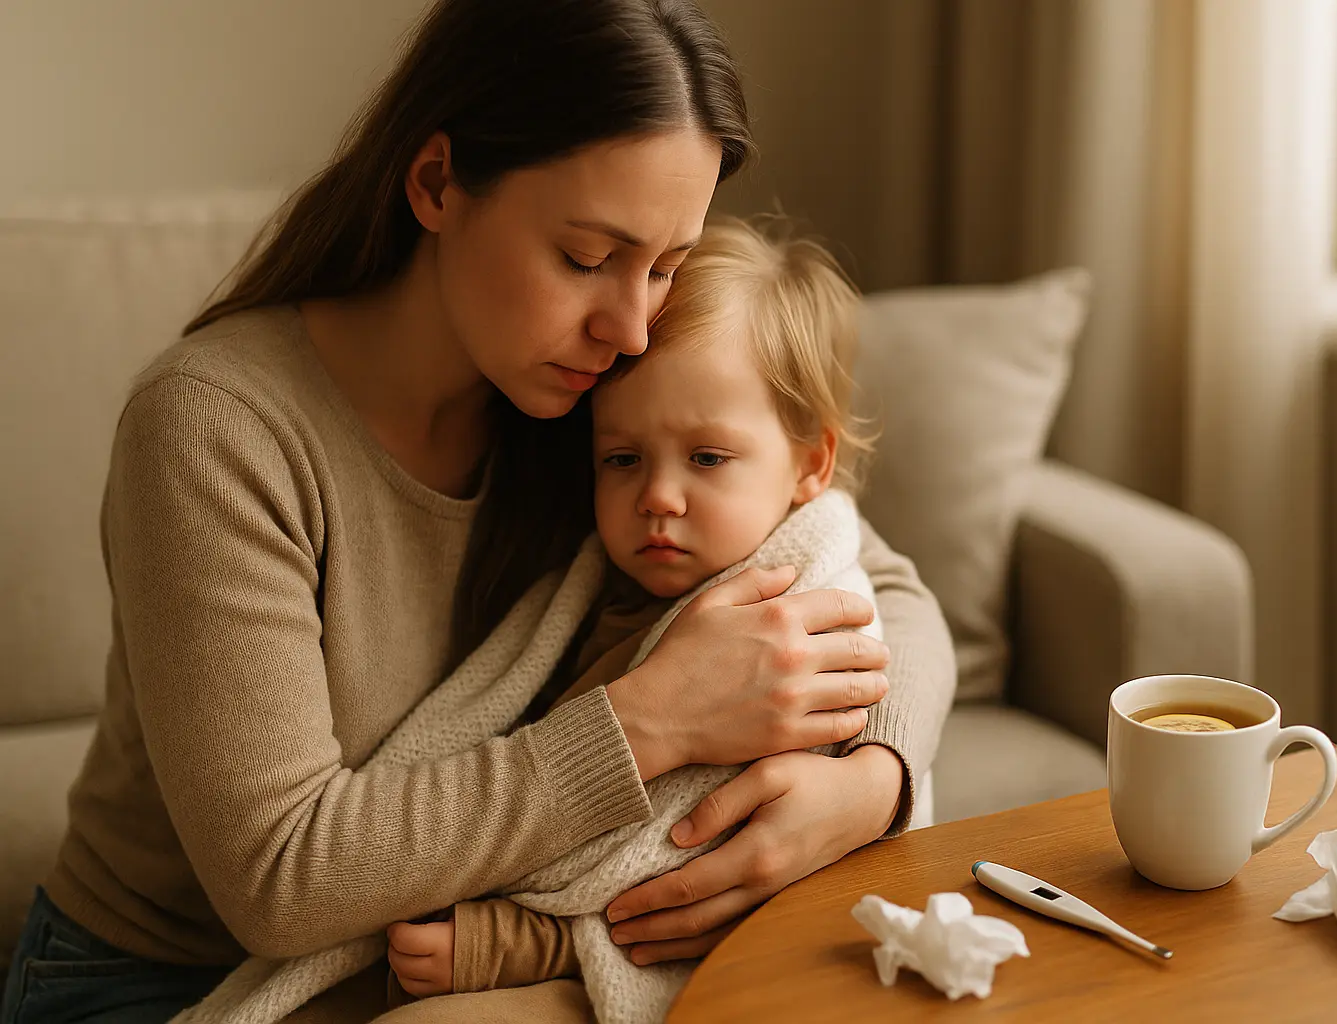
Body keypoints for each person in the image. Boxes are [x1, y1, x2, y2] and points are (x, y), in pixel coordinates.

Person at [0, 2, 955, 1022]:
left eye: (666, 265)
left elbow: (873, 575)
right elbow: (282, 880)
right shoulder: (216, 429)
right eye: (588, 256)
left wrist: (876, 783)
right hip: (173, 983)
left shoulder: (590, 391)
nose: (633, 324)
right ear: (436, 183)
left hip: (443, 955)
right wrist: (655, 719)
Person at [382, 217, 889, 1016]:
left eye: (708, 458)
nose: (657, 495)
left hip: (672, 953)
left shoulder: (798, 631)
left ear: (812, 465)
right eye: (622, 459)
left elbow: (685, 861)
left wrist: (505, 944)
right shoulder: (602, 593)